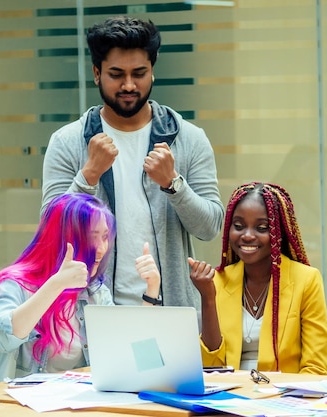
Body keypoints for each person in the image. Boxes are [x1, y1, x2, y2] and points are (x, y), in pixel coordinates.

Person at [41, 16, 224, 308]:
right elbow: (50, 233)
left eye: (139, 73)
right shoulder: (68, 141)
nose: (129, 85)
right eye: (116, 74)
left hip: (170, 310)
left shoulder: (188, 138)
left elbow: (210, 227)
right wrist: (88, 175)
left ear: (152, 72)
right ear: (97, 73)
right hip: (92, 314)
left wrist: (173, 184)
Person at [0, 193, 161, 384]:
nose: (102, 249)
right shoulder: (14, 284)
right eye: (92, 237)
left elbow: (126, 355)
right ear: (62, 239)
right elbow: (3, 338)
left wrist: (151, 291)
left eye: (105, 237)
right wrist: (56, 284)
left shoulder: (94, 291)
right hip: (15, 405)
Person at [188, 182, 327, 375]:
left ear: (278, 232)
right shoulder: (218, 280)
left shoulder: (306, 279)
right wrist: (208, 298)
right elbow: (211, 368)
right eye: (238, 226)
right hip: (229, 398)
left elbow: (317, 369)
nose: (247, 235)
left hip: (283, 397)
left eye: (261, 228)